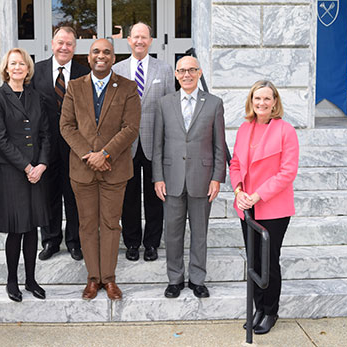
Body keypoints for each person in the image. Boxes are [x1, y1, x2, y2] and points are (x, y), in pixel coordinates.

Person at [60, 38, 141, 301]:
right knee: (86, 225)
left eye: (107, 52)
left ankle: (109, 279)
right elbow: (67, 126)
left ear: (114, 58)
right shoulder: (74, 87)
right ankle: (93, 279)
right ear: (89, 57)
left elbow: (130, 128)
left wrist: (105, 154)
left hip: (114, 169)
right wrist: (89, 155)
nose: (101, 56)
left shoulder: (128, 87)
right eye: (96, 51)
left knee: (110, 224)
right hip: (82, 170)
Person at [153, 56, 226, 300]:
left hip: (203, 179)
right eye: (182, 70)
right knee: (172, 232)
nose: (186, 75)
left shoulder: (214, 104)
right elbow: (158, 145)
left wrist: (217, 177)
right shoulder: (164, 103)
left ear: (199, 72)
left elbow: (219, 145)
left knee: (199, 232)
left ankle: (197, 279)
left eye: (191, 70)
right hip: (171, 178)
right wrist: (157, 178)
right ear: (175, 74)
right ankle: (175, 279)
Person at [230, 80, 299, 334]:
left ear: (275, 102)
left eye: (267, 99)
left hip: (273, 208)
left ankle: (270, 311)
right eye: (257, 99)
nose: (262, 103)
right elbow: (235, 163)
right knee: (254, 261)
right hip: (246, 207)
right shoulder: (244, 128)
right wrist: (238, 191)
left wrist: (257, 195)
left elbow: (287, 172)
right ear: (251, 101)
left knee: (269, 262)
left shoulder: (286, 130)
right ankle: (258, 307)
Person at [0, 48, 50, 303]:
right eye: (13, 64)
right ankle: (12, 280)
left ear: (28, 68)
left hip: (37, 171)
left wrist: (42, 164)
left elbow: (46, 134)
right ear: (6, 68)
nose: (17, 68)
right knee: (16, 228)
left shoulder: (37, 97)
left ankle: (31, 279)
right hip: (12, 172)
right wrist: (27, 167)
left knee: (32, 227)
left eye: (21, 64)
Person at [112, 22, 175, 262]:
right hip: (125, 145)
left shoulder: (165, 69)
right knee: (128, 197)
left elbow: (170, 108)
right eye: (135, 37)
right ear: (128, 40)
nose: (139, 41)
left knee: (154, 196)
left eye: (144, 37)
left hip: (155, 142)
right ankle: (131, 243)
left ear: (151, 40)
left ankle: (151, 243)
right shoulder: (116, 70)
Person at [31, 26, 90, 261]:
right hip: (45, 145)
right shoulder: (36, 72)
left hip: (75, 146)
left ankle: (75, 242)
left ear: (75, 47)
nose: (64, 47)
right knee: (48, 194)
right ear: (52, 44)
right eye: (60, 42)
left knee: (74, 195)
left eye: (69, 43)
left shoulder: (84, 73)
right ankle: (50, 240)